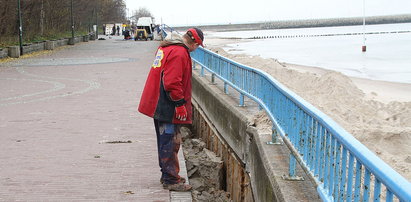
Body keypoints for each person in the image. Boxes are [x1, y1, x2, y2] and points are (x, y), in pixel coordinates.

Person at [138, 28, 204, 191]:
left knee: (165, 140)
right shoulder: (180, 52)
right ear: (194, 43)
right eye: (198, 46)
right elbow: (172, 82)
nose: (196, 50)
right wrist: (180, 104)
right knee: (170, 141)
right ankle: (170, 179)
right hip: (167, 105)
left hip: (158, 102)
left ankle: (168, 175)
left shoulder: (167, 47)